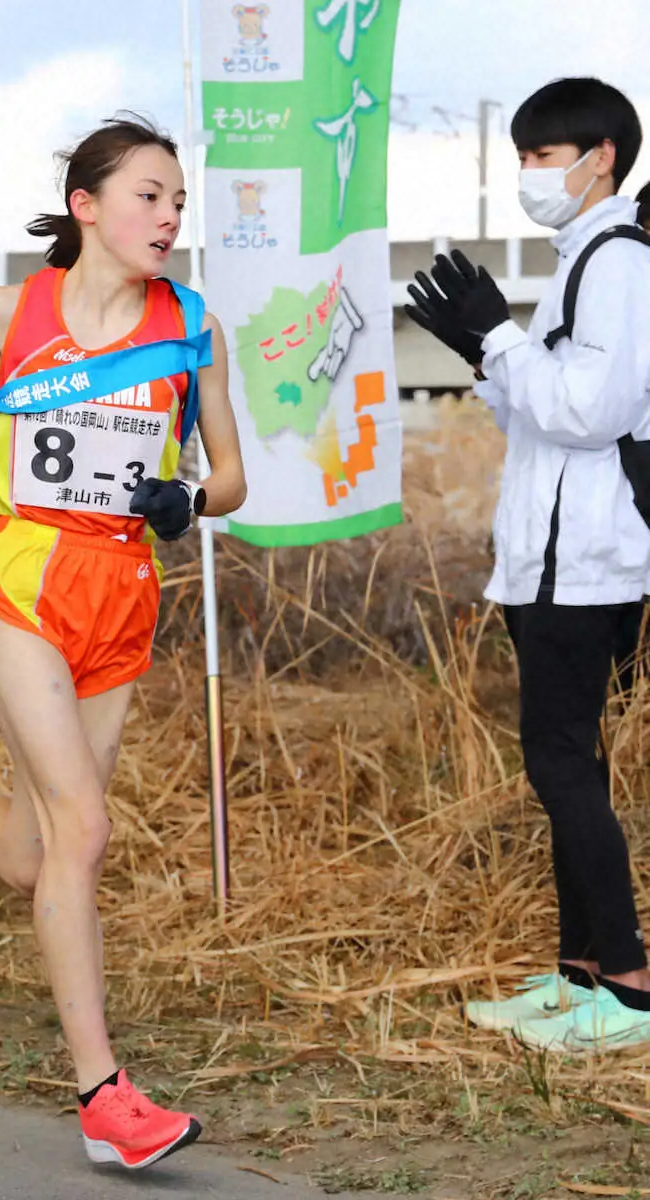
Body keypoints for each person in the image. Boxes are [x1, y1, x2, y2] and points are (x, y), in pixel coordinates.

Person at [0, 115, 246, 1167]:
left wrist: (184, 501)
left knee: (33, 858)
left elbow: (232, 476)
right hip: (21, 578)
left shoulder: (191, 328)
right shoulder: (5, 310)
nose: (167, 216)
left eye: (176, 202)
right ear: (86, 206)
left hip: (122, 596)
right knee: (85, 828)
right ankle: (104, 1098)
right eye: (148, 196)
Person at [406, 78, 650, 1052]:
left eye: (541, 156)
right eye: (519, 157)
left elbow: (591, 413)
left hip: (583, 559)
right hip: (547, 555)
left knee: (559, 765)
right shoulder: (578, 261)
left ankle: (627, 986)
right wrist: (482, 351)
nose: (527, 175)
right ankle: (575, 975)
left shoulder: (619, 264)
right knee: (565, 765)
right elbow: (536, 417)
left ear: (598, 155)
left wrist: (501, 335)